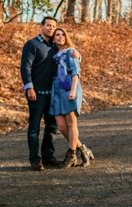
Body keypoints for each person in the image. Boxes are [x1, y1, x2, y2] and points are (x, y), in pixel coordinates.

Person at [20, 16, 67, 171]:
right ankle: (35, 159)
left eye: (53, 26)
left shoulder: (55, 46)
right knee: (34, 128)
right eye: (48, 25)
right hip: (37, 93)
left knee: (52, 126)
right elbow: (25, 67)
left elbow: (69, 54)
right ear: (41, 27)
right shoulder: (32, 44)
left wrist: (76, 55)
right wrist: (29, 87)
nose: (50, 28)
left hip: (52, 94)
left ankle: (48, 156)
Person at [49, 27, 94, 167]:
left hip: (69, 90)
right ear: (53, 38)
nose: (60, 37)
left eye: (63, 34)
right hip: (57, 92)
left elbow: (75, 73)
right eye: (57, 35)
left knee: (71, 124)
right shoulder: (54, 54)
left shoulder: (70, 52)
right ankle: (83, 149)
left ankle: (71, 155)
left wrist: (73, 90)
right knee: (61, 127)